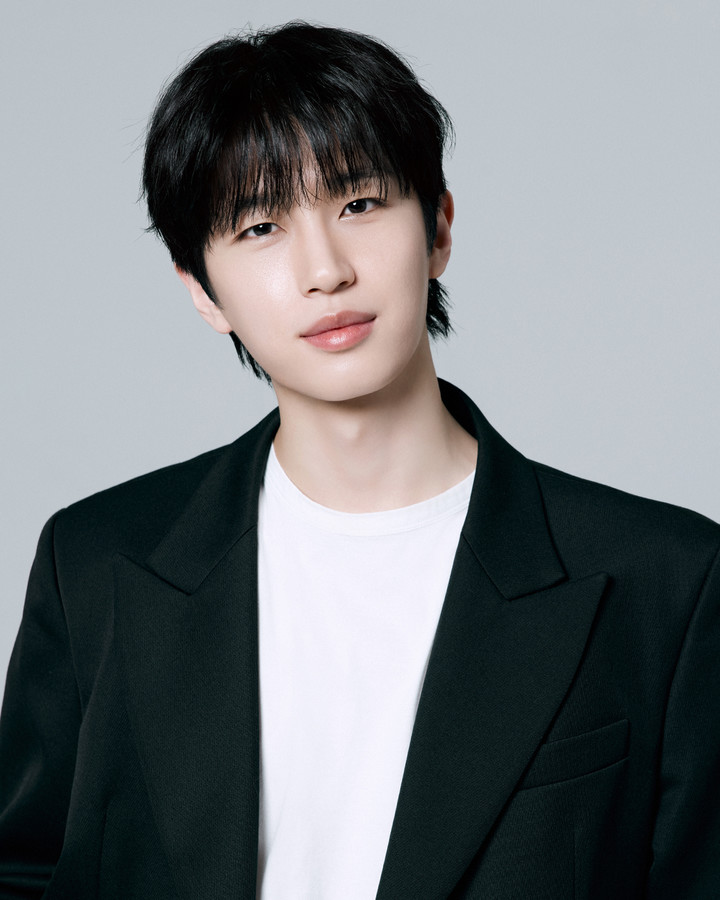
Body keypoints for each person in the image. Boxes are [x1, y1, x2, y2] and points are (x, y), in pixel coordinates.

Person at [0, 21, 718, 900]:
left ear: (439, 227)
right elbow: (25, 868)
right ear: (202, 291)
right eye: (260, 226)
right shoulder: (95, 564)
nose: (325, 270)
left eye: (360, 205)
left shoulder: (668, 581)